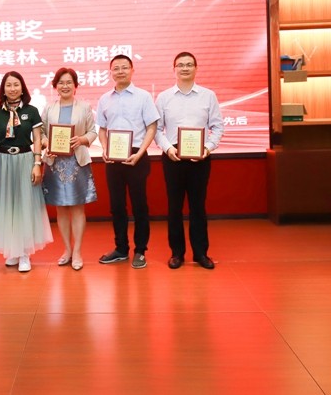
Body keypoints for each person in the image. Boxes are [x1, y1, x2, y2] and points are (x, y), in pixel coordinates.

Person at [154, 52, 224, 270]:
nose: (185, 68)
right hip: (173, 158)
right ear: (174, 69)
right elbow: (156, 129)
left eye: (189, 65)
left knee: (198, 207)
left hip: (200, 159)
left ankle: (201, 253)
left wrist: (207, 148)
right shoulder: (164, 97)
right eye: (181, 65)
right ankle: (176, 253)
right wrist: (168, 148)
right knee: (174, 207)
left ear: (196, 68)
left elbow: (217, 127)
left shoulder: (208, 96)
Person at [0, 71, 52, 272]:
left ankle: (24, 253)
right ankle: (12, 251)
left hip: (25, 160)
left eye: (16, 85)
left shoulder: (31, 111)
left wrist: (37, 163)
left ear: (22, 88)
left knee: (24, 205)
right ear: (3, 89)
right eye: (8, 85)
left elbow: (37, 139)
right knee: (6, 206)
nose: (12, 88)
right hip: (2, 161)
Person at [96, 54, 159, 269]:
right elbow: (102, 129)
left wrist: (140, 152)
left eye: (124, 67)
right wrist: (104, 148)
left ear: (132, 70)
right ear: (110, 72)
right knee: (116, 206)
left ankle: (140, 250)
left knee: (139, 205)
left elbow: (152, 127)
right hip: (113, 157)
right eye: (116, 68)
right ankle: (121, 248)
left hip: (136, 155)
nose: (120, 71)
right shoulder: (104, 99)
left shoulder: (143, 97)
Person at [39, 67, 98, 271]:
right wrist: (46, 144)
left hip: (77, 162)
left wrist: (82, 139)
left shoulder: (84, 107)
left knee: (77, 208)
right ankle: (67, 250)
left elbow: (92, 131)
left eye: (69, 82)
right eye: (61, 83)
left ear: (75, 85)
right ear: (55, 86)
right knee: (61, 208)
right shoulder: (49, 108)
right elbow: (41, 133)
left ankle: (78, 251)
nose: (65, 86)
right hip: (55, 164)